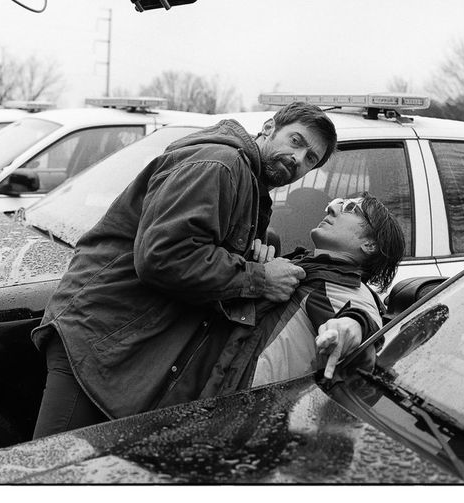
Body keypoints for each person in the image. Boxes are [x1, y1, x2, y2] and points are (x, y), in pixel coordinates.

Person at [31, 101, 338, 438]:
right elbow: (164, 256)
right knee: (53, 473)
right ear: (268, 129)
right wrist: (259, 278)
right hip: (99, 338)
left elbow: (196, 248)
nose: (298, 159)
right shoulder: (220, 165)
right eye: (296, 141)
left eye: (311, 159)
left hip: (126, 346)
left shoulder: (248, 181)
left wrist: (248, 258)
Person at [152, 192, 406, 408]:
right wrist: (257, 270)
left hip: (248, 419)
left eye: (350, 208)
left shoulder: (343, 286)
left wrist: (354, 326)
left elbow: (361, 322)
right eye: (338, 200)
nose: (332, 206)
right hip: (220, 406)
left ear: (370, 244)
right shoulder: (307, 269)